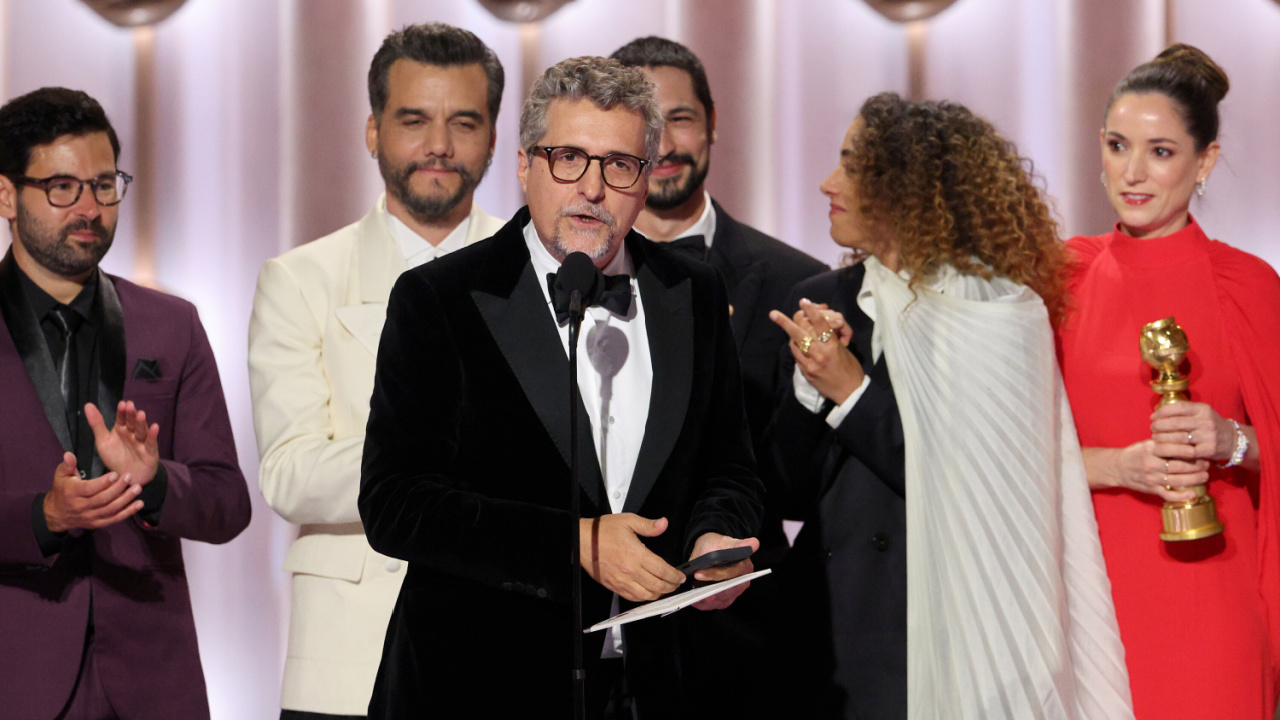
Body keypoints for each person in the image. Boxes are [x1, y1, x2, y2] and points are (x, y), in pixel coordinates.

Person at [358, 56, 764, 718]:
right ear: (525, 166)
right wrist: (573, 542)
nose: (593, 189)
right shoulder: (440, 297)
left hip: (656, 686)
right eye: (568, 158)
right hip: (476, 687)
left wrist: (716, 540)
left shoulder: (691, 292)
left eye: (619, 165)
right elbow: (395, 502)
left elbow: (729, 467)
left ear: (644, 177)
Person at [765, 92, 1134, 719]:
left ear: (904, 187)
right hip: (830, 642)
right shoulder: (820, 300)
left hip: (953, 629)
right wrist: (810, 386)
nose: (829, 183)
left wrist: (850, 391)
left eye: (853, 166)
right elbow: (783, 488)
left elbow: (979, 486)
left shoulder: (999, 313)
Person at [248, 23, 507, 720]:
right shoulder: (300, 279)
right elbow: (290, 475)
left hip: (505, 641)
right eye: (413, 120)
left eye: (464, 122)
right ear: (372, 131)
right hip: (347, 652)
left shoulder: (535, 276)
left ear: (492, 137)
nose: (439, 147)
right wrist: (429, 460)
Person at [0, 87, 251, 720]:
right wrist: (44, 515)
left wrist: (156, 483)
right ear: (6, 195)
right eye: (62, 187)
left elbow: (227, 503)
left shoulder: (173, 324)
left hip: (152, 683)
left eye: (104, 184)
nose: (89, 208)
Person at [1057, 44, 1280, 720]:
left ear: (1204, 161)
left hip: (1214, 595)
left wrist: (1231, 439)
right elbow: (1006, 454)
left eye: (1160, 152)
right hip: (1088, 592)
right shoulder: (1059, 278)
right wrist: (1118, 467)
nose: (1132, 172)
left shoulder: (1248, 286)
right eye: (1120, 145)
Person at [609, 37, 827, 714]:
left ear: (712, 125)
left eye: (681, 118)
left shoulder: (798, 282)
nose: (666, 142)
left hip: (745, 648)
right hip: (583, 641)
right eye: (646, 122)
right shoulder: (558, 277)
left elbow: (808, 480)